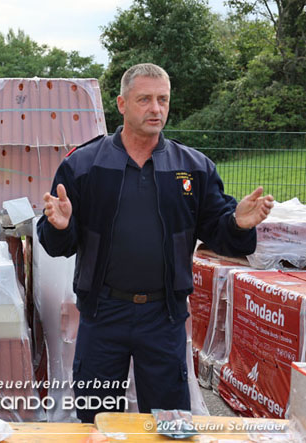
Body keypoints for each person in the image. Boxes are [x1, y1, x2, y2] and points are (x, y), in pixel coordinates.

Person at [38, 63, 274, 423]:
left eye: (162, 99)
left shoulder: (194, 167)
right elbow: (58, 243)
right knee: (98, 420)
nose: (156, 108)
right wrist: (60, 225)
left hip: (163, 317)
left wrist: (238, 224)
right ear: (121, 103)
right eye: (144, 99)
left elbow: (220, 233)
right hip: (103, 314)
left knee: (169, 422)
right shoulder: (84, 165)